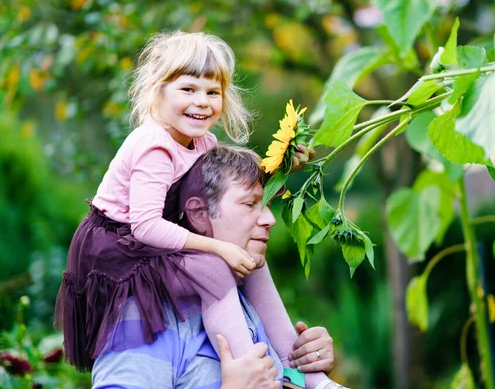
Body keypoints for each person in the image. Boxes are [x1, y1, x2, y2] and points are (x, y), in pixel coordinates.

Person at [53, 30, 313, 372]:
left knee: (250, 262)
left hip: (156, 236)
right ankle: (248, 368)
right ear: (158, 91)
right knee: (216, 268)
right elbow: (145, 226)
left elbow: (233, 187)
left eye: (212, 92)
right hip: (118, 249)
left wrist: (284, 168)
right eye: (188, 89)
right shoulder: (155, 147)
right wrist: (219, 248)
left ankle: (300, 372)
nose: (202, 101)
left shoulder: (201, 141)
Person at [91, 145, 344, 389]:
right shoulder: (148, 316)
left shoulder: (245, 300)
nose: (270, 220)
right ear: (199, 214)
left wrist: (309, 369)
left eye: (267, 204)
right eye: (250, 204)